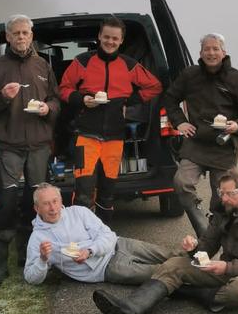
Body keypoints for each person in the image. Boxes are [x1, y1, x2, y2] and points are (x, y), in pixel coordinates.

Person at [92, 168, 238, 314]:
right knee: (175, 264)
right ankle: (130, 308)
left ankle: (187, 292)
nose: (223, 199)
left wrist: (227, 266)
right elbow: (208, 245)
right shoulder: (225, 210)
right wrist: (194, 247)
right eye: (220, 193)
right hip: (226, 271)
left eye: (229, 193)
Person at [0, 15, 60, 287]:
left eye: (25, 33)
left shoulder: (42, 65)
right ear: (8, 38)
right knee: (8, 203)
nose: (21, 37)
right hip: (8, 146)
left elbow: (55, 99)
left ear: (32, 36)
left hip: (37, 146)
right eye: (16, 33)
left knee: (34, 204)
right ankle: (0, 268)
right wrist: (2, 97)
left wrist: (49, 109)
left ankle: (27, 256)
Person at [59, 15, 162, 225]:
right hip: (85, 136)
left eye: (115, 38)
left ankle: (103, 238)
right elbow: (63, 89)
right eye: (106, 37)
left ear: (121, 40)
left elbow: (155, 86)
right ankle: (81, 239)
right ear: (99, 36)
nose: (110, 42)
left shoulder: (128, 65)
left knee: (107, 194)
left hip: (115, 138)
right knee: (84, 194)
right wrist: (81, 99)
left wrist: (128, 100)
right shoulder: (84, 61)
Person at [165, 32, 238, 234]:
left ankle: (217, 234)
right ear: (200, 52)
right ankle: (202, 225)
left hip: (223, 146)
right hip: (196, 142)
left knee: (222, 198)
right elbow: (170, 99)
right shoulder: (190, 75)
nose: (211, 52)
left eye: (215, 48)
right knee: (181, 183)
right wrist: (180, 122)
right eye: (207, 49)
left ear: (224, 52)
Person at [24, 183, 171, 285]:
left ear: (61, 200)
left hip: (119, 244)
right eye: (46, 204)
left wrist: (89, 251)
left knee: (169, 255)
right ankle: (192, 276)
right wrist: (43, 260)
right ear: (37, 208)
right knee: (162, 272)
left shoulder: (78, 212)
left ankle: (192, 256)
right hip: (107, 268)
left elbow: (107, 234)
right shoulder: (38, 238)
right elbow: (31, 277)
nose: (52, 208)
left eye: (55, 201)